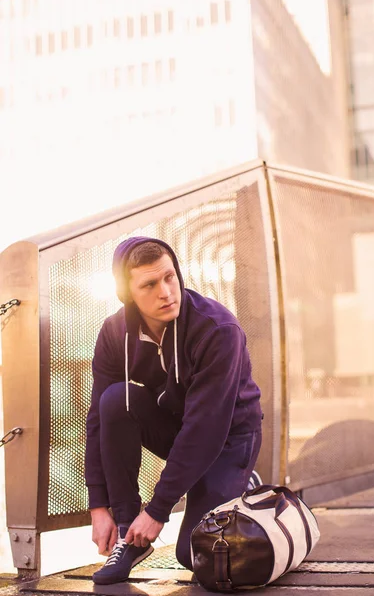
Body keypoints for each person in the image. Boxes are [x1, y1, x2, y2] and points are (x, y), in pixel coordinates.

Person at [85, 237, 263, 585]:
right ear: (128, 293)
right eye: (149, 285)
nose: (166, 292)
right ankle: (128, 535)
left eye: (169, 277)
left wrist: (157, 511)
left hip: (229, 438)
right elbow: (97, 421)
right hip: (178, 427)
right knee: (114, 401)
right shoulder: (113, 333)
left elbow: (205, 428)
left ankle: (244, 486)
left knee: (194, 555)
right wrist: (99, 506)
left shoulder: (217, 330)